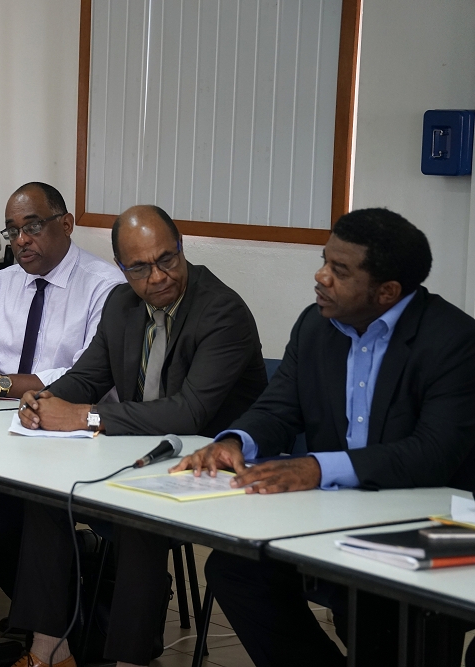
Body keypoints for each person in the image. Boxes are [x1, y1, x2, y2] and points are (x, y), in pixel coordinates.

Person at [171, 208, 475, 667]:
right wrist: (234, 442)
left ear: (387, 292)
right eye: (324, 261)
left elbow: (432, 453)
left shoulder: (453, 340)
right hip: (335, 512)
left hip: (427, 521)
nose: (321, 277)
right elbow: (278, 407)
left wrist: (317, 467)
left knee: (379, 611)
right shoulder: (315, 326)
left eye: (340, 270)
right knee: (236, 571)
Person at [9, 205, 268, 667]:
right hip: (141, 453)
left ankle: (129, 662)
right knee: (46, 495)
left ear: (181, 247)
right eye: (140, 268)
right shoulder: (121, 303)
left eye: (168, 259)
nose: (159, 276)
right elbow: (87, 376)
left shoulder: (221, 310)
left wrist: (85, 417)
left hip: (212, 463)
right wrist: (44, 400)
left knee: (138, 513)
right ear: (121, 268)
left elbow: (189, 413)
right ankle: (49, 652)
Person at [0, 181, 123, 599]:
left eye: (32, 227)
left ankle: (64, 610)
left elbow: (82, 377)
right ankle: (50, 602)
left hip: (73, 436)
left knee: (5, 520)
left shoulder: (105, 286)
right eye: (12, 231)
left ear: (66, 224)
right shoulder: (5, 282)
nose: (21, 240)